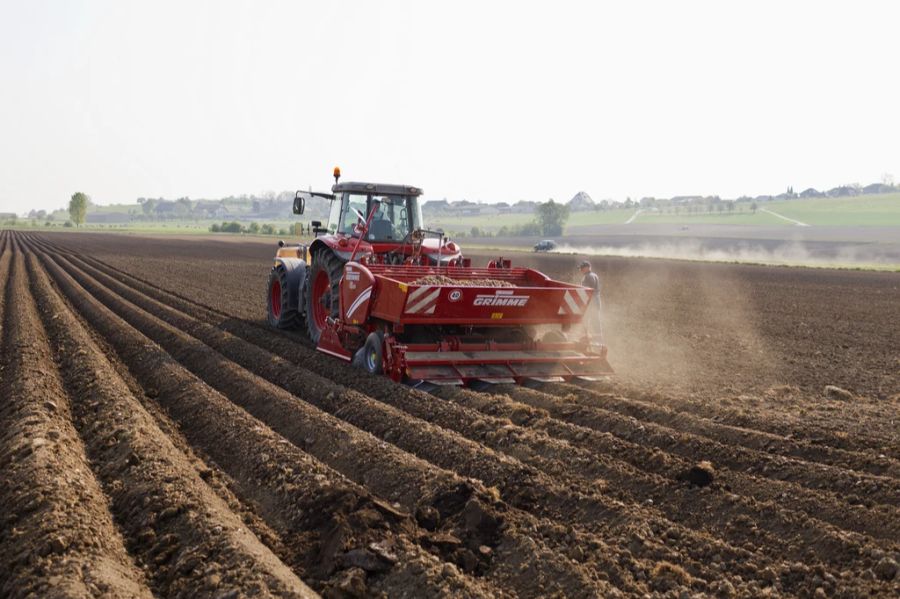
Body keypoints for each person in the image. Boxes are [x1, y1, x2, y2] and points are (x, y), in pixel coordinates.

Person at [578, 260, 603, 343]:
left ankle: (589, 339)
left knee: (586, 319)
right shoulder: (594, 275)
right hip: (596, 300)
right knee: (595, 321)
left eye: (582, 268)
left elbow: (588, 290)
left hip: (591, 301)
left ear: (587, 268)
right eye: (580, 268)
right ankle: (598, 340)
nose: (581, 270)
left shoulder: (588, 276)